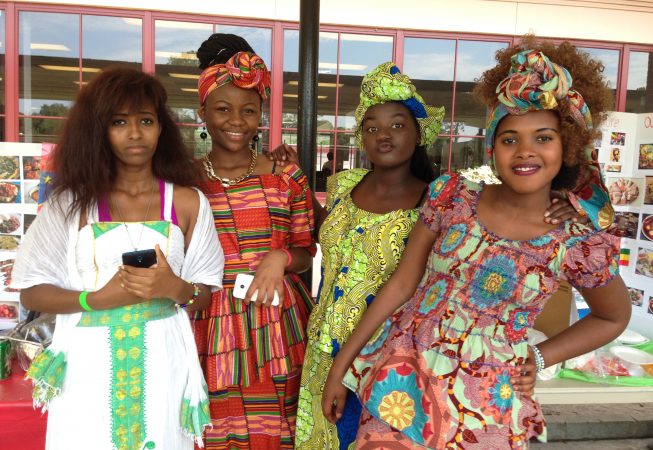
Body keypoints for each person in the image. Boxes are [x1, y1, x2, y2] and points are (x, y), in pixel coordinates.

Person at [321, 39, 631, 448]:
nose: (525, 151)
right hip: (398, 387)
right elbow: (402, 284)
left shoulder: (575, 241)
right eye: (509, 139)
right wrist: (340, 367)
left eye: (543, 138)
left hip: (484, 409)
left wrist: (540, 358)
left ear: (567, 146)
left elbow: (612, 318)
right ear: (492, 146)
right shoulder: (452, 196)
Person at [270, 62, 546, 449]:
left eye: (398, 125)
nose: (384, 135)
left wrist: (566, 200)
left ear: (420, 133)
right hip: (322, 342)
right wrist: (298, 181)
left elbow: (517, 192)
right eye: (372, 127)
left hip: (383, 355)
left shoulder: (438, 201)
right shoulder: (342, 186)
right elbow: (333, 235)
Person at [11, 67, 225, 450]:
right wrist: (94, 300)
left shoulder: (188, 202)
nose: (135, 133)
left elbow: (204, 295)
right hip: (86, 365)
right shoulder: (71, 205)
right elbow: (31, 291)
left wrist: (173, 286)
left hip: (164, 359)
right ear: (99, 130)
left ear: (162, 128)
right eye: (119, 121)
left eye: (146, 120)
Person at [191, 33, 316, 449]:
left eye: (249, 110)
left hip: (277, 324)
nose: (236, 121)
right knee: (211, 427)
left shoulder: (286, 176)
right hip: (208, 323)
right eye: (223, 109)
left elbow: (307, 246)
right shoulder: (183, 180)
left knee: (276, 429)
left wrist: (280, 257)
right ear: (202, 113)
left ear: (261, 114)